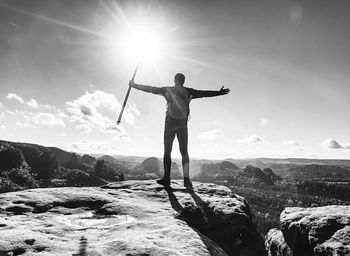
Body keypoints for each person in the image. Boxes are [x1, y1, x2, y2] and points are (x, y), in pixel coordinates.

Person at [129, 73, 230, 188]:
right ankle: (186, 180)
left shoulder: (168, 90)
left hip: (170, 125)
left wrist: (134, 85)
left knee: (167, 152)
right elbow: (205, 93)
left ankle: (167, 178)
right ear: (183, 81)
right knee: (184, 152)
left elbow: (150, 89)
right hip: (182, 125)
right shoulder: (189, 92)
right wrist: (219, 92)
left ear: (175, 80)